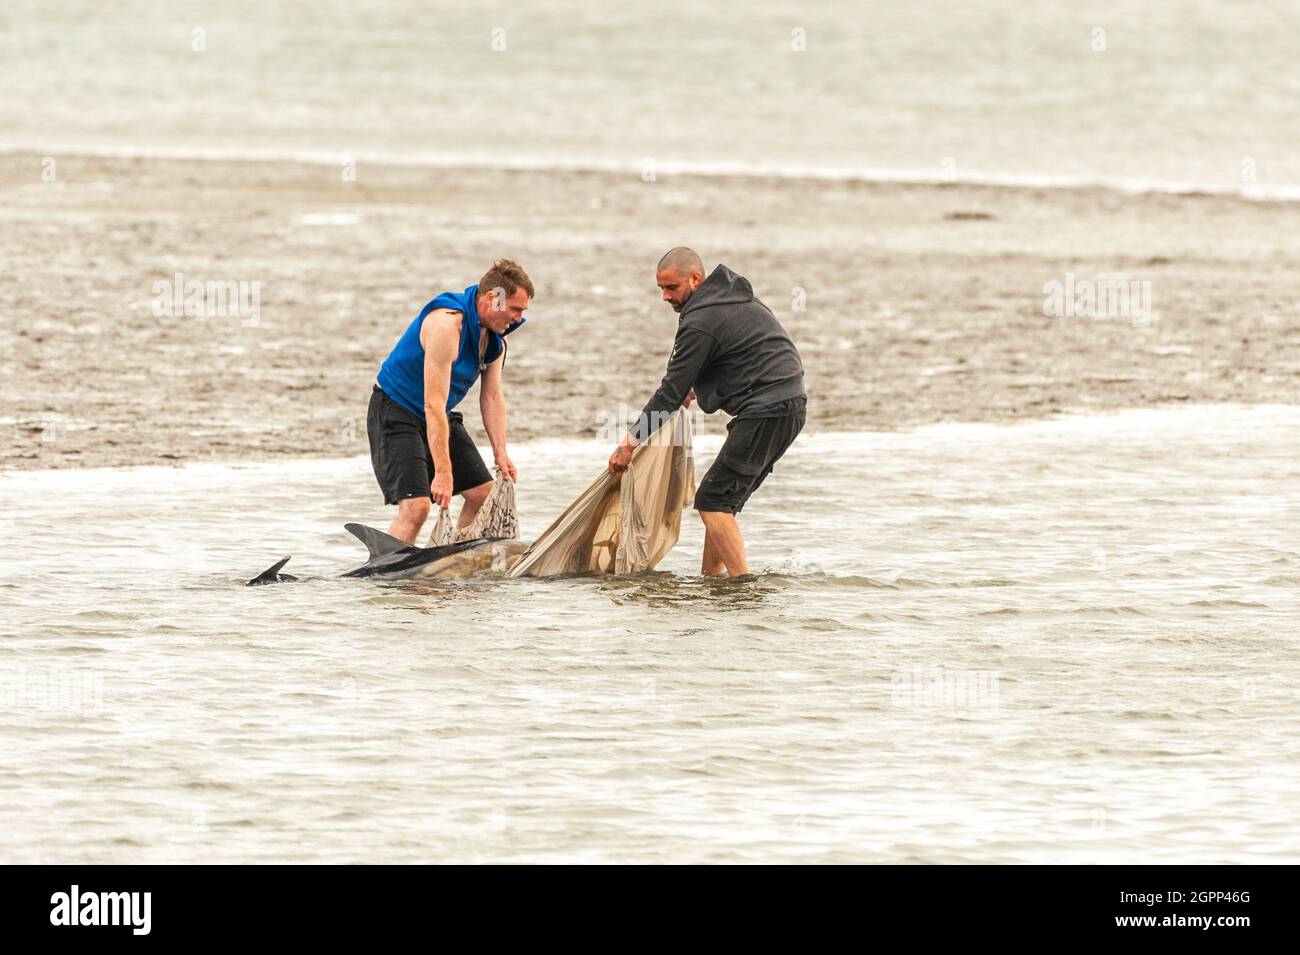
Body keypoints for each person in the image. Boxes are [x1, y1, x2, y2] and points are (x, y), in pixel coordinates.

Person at [608, 247, 806, 577]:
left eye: (671, 288)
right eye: (660, 288)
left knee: (713, 500)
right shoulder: (730, 300)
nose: (665, 297)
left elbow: (667, 395)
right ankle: (713, 582)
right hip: (788, 405)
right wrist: (697, 387)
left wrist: (628, 445)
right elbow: (744, 352)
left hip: (767, 409)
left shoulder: (701, 319)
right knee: (721, 503)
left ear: (695, 278)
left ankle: (742, 587)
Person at [368, 259, 533, 543]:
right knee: (417, 507)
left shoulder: (496, 340)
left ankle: (450, 563)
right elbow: (431, 403)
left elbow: (492, 397)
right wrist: (443, 473)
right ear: (493, 298)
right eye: (515, 309)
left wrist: (500, 453)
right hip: (396, 412)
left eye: (523, 311)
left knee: (484, 495)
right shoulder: (446, 325)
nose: (518, 318)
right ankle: (383, 578)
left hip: (438, 414)